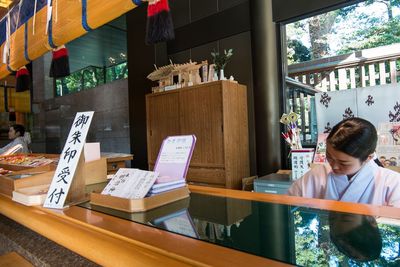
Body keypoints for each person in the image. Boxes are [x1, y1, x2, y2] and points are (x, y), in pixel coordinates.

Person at [288, 117, 400, 207]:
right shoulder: (317, 175)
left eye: (343, 163)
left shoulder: (392, 183)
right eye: (329, 157)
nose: (334, 166)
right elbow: (290, 205)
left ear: (368, 158)